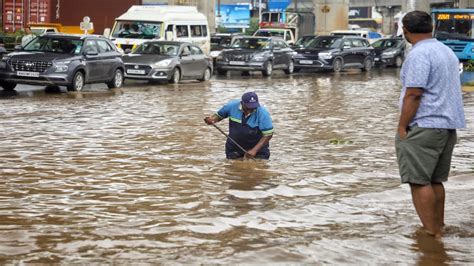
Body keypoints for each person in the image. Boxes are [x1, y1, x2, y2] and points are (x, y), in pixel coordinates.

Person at [395, 11, 466, 238]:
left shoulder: (419, 54)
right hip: (446, 127)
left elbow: (414, 93)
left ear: (405, 30)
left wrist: (402, 126)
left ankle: (431, 234)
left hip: (424, 126)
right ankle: (440, 227)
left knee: (418, 182)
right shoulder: (446, 52)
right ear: (431, 27)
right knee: (436, 181)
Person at [204, 92, 273, 160]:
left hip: (258, 149)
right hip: (234, 147)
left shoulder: (263, 113)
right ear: (242, 103)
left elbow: (268, 134)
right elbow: (218, 116)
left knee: (259, 169)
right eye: (248, 107)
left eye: (253, 107)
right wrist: (212, 120)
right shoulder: (231, 106)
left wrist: (254, 150)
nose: (251, 110)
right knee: (234, 169)